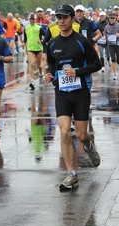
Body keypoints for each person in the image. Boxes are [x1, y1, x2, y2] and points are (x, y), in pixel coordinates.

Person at [44, 5, 101, 191]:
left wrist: (77, 72)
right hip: (62, 92)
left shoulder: (82, 41)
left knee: (82, 134)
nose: (61, 21)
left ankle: (89, 146)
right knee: (65, 131)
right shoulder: (53, 43)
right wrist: (50, 74)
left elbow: (96, 64)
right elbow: (52, 64)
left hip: (81, 92)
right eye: (58, 17)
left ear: (71, 19)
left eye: (65, 17)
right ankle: (71, 174)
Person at [23, 14, 45, 90]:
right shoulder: (26, 28)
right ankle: (32, 80)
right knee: (32, 64)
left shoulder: (39, 27)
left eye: (33, 19)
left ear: (35, 20)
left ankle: (41, 74)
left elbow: (45, 36)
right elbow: (25, 37)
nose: (32, 20)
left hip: (38, 48)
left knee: (39, 65)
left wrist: (41, 40)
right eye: (31, 19)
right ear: (29, 20)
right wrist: (24, 43)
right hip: (30, 48)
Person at [104, 13, 119, 80]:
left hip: (118, 44)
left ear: (116, 19)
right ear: (109, 19)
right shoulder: (106, 27)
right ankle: (115, 73)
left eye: (113, 18)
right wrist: (106, 38)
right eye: (111, 18)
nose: (112, 20)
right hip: (110, 45)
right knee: (113, 59)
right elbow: (105, 35)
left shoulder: (118, 25)